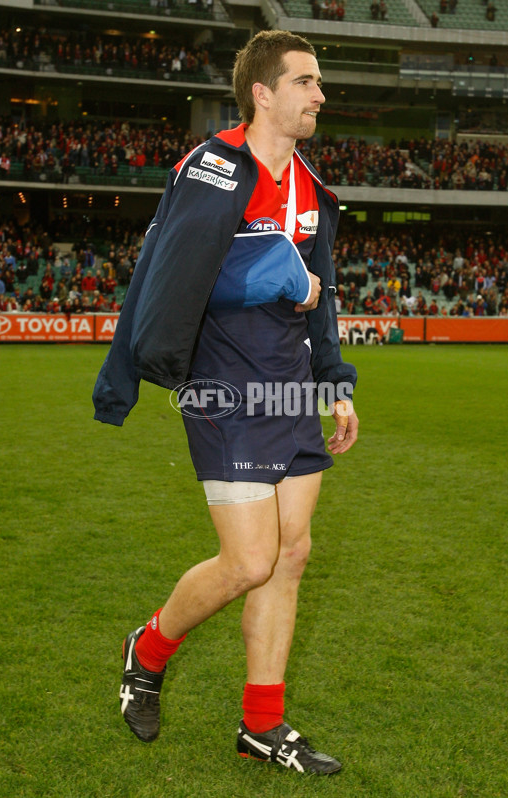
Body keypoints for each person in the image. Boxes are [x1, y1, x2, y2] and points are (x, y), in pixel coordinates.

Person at [92, 30, 358, 775]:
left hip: (290, 387)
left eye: (319, 82)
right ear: (263, 93)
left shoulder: (308, 184)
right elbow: (172, 276)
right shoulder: (211, 169)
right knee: (248, 561)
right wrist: (272, 274)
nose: (320, 95)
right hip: (225, 390)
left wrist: (334, 384)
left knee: (291, 556)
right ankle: (145, 652)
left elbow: (321, 296)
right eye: (306, 82)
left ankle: (260, 726)